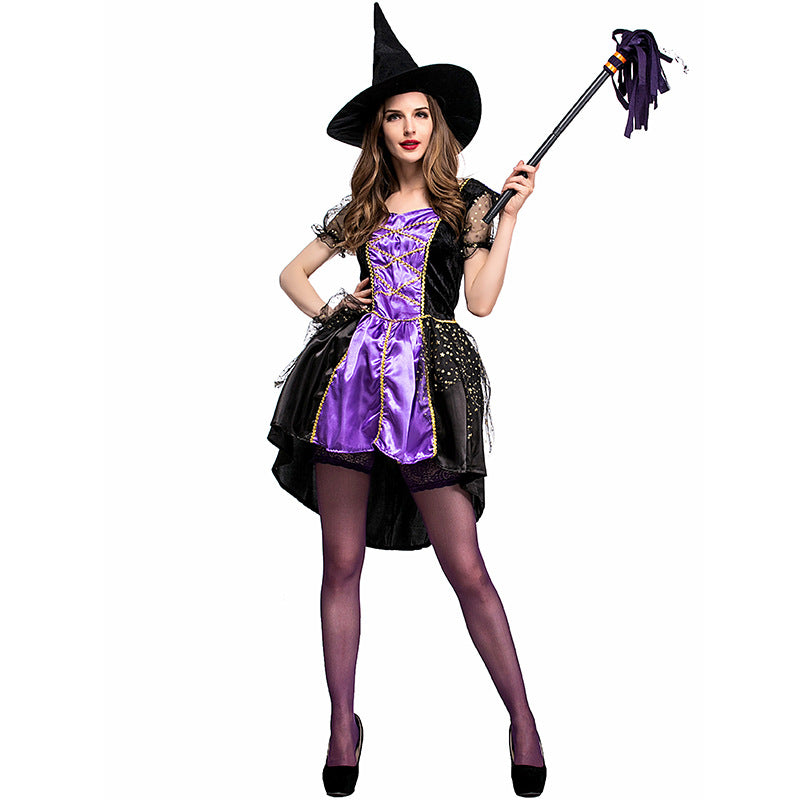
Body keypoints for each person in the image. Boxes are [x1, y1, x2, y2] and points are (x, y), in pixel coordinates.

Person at [268, 4, 545, 796]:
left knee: (467, 567)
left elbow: (480, 302)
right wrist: (334, 307)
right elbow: (291, 274)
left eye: (420, 114)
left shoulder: (469, 203)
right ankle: (341, 726)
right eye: (395, 117)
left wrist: (510, 221)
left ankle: (523, 720)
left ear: (438, 124)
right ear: (379, 132)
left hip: (429, 388)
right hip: (350, 386)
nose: (409, 127)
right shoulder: (362, 209)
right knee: (340, 563)